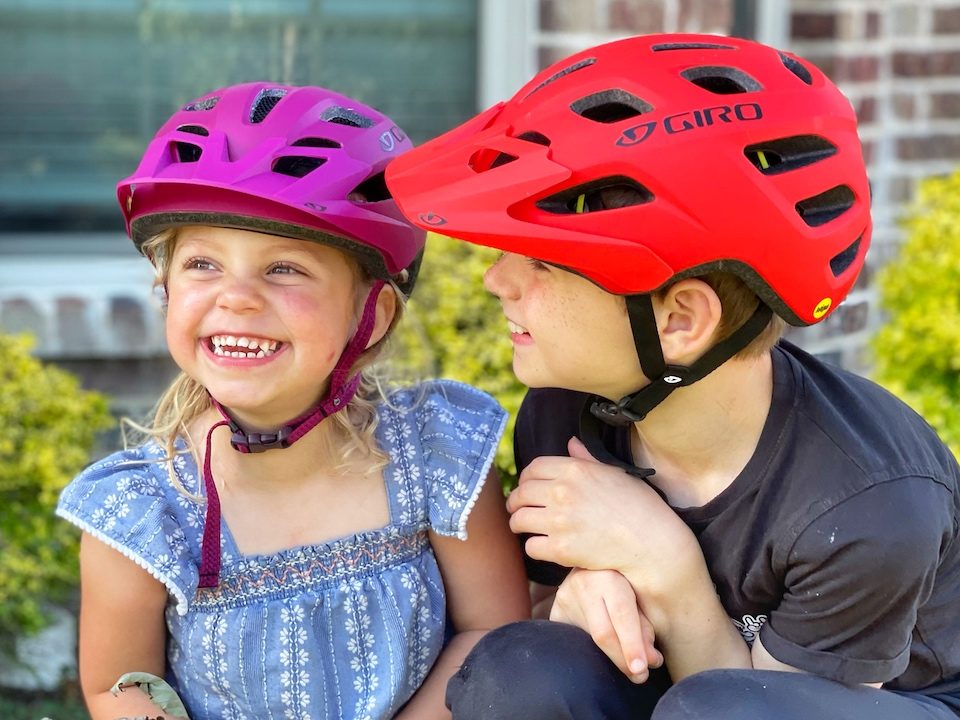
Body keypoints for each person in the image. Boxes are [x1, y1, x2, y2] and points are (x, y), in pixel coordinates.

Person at [385, 33, 960, 720]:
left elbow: (756, 704)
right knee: (520, 670)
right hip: (690, 683)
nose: (495, 280)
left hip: (884, 703)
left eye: (541, 262)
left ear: (681, 320)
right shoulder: (565, 412)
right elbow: (549, 625)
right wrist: (575, 599)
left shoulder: (866, 504)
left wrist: (666, 567)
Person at [56, 81, 530, 720]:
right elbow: (121, 688)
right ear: (166, 288)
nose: (236, 297)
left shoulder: (432, 454)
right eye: (202, 264)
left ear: (372, 314)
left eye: (284, 268)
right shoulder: (144, 514)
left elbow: (491, 637)